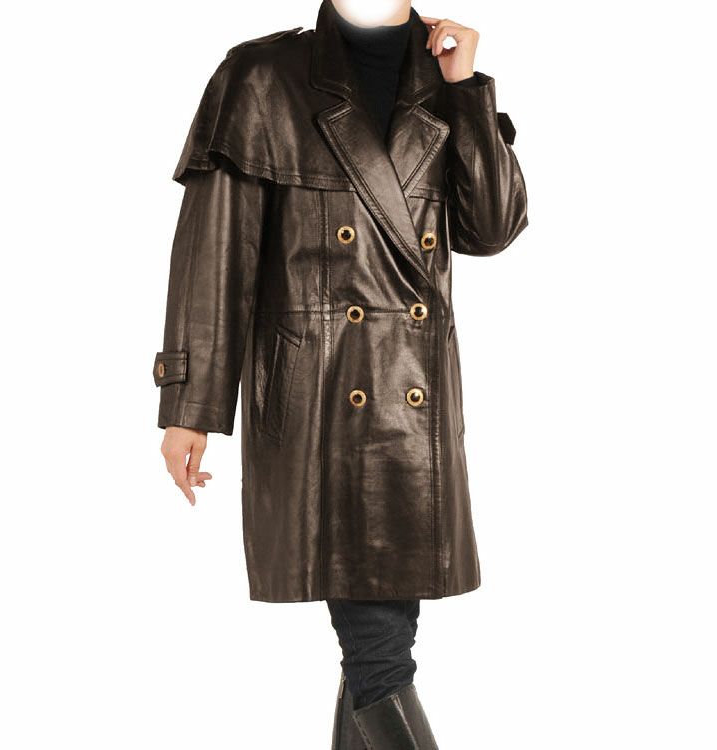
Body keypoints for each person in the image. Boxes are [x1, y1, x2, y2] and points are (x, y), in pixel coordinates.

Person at [152, 0, 528, 746]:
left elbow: (492, 228)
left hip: (416, 405)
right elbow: (215, 251)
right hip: (320, 399)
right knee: (379, 654)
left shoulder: (445, 76)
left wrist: (468, 89)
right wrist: (188, 404)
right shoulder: (263, 74)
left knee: (377, 649)